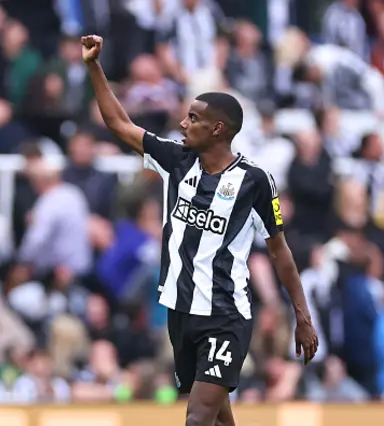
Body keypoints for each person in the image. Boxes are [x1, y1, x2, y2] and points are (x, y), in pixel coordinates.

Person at [81, 35, 319, 426]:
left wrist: (303, 316)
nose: (182, 122)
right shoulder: (176, 160)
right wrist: (94, 66)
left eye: (193, 118)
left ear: (218, 129)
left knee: (197, 418)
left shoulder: (254, 182)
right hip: (180, 311)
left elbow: (280, 251)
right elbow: (118, 124)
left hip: (225, 314)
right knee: (219, 415)